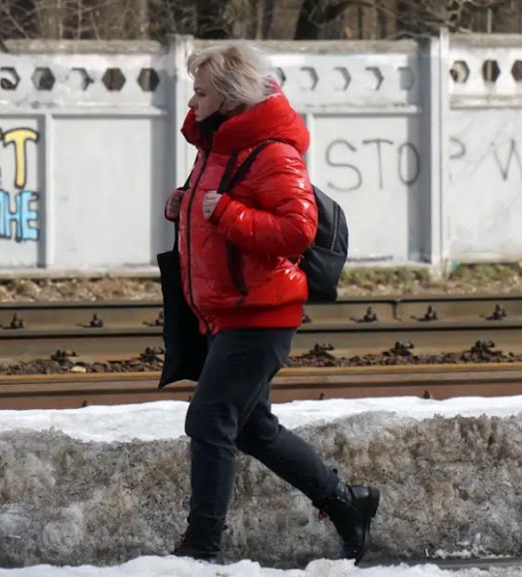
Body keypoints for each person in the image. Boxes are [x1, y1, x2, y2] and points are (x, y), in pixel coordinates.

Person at [163, 42, 380, 564]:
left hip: (260, 315)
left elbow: (297, 229)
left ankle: (203, 546)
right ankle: (347, 504)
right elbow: (221, 207)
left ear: (232, 95)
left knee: (210, 419)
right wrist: (185, 203)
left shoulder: (272, 152)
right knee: (253, 427)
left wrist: (226, 213)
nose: (192, 99)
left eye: (201, 89)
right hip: (227, 311)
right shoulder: (220, 148)